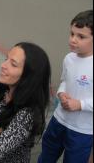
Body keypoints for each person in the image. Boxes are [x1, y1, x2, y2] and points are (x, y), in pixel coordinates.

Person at [38, 10, 93, 163]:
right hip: (59, 120)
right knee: (46, 156)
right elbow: (64, 81)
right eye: (72, 34)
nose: (73, 40)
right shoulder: (69, 58)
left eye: (81, 36)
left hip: (82, 131)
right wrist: (61, 94)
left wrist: (80, 104)